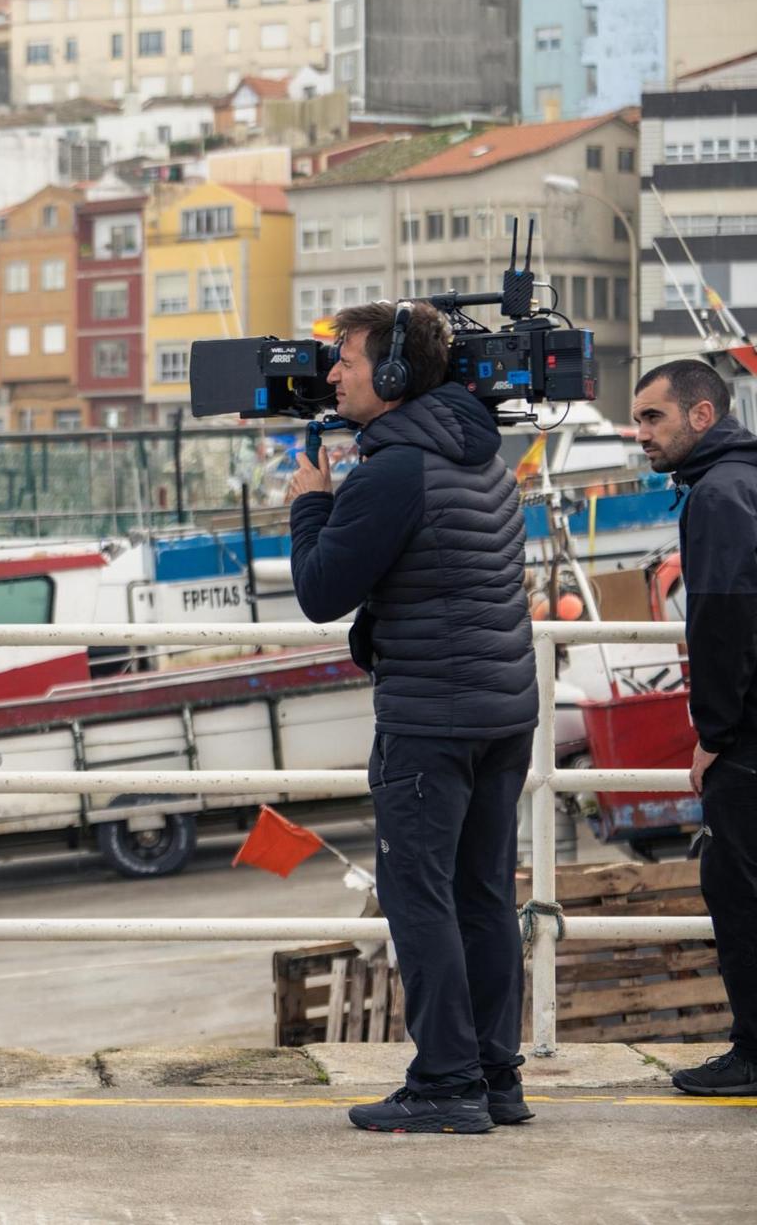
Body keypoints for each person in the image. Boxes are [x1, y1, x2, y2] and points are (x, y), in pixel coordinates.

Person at [286, 300, 534, 1134]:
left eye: (346, 360)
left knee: (418, 897)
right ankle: (497, 1076)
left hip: (432, 719)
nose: (331, 375)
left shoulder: (393, 470)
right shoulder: (483, 459)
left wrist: (311, 502)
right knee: (484, 896)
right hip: (503, 711)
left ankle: (446, 1083)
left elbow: (322, 590)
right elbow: (444, 582)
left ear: (391, 375)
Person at [630, 359, 757, 1097]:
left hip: (747, 739)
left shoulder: (719, 494)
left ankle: (752, 1052)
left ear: (701, 417)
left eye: (654, 418)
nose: (639, 433)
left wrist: (712, 732)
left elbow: (722, 616)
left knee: (736, 891)